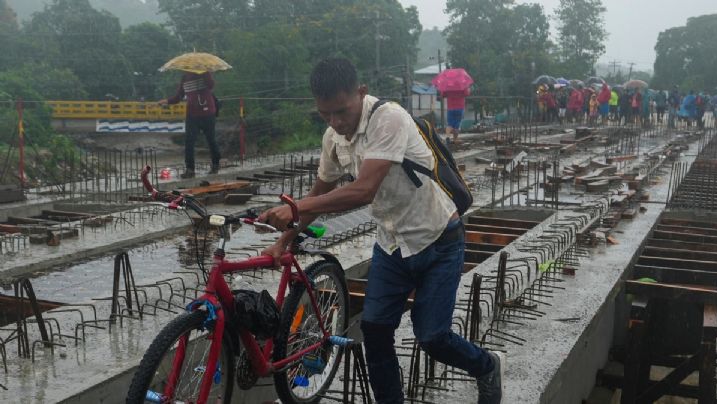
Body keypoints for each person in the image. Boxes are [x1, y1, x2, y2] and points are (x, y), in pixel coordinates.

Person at [259, 58, 503, 404]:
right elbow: (318, 195)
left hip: (438, 240)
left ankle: (485, 366)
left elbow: (364, 189)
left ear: (361, 92)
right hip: (392, 246)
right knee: (374, 330)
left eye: (342, 111)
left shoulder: (389, 118)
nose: (336, 122)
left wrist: (296, 207)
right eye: (326, 114)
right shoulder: (333, 138)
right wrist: (283, 241)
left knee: (432, 335)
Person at [158, 71, 221, 178]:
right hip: (192, 114)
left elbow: (211, 85)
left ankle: (215, 165)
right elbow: (179, 97)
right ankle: (190, 169)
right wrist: (166, 101)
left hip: (208, 112)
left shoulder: (205, 73)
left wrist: (204, 73)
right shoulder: (185, 78)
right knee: (189, 141)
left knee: (211, 140)